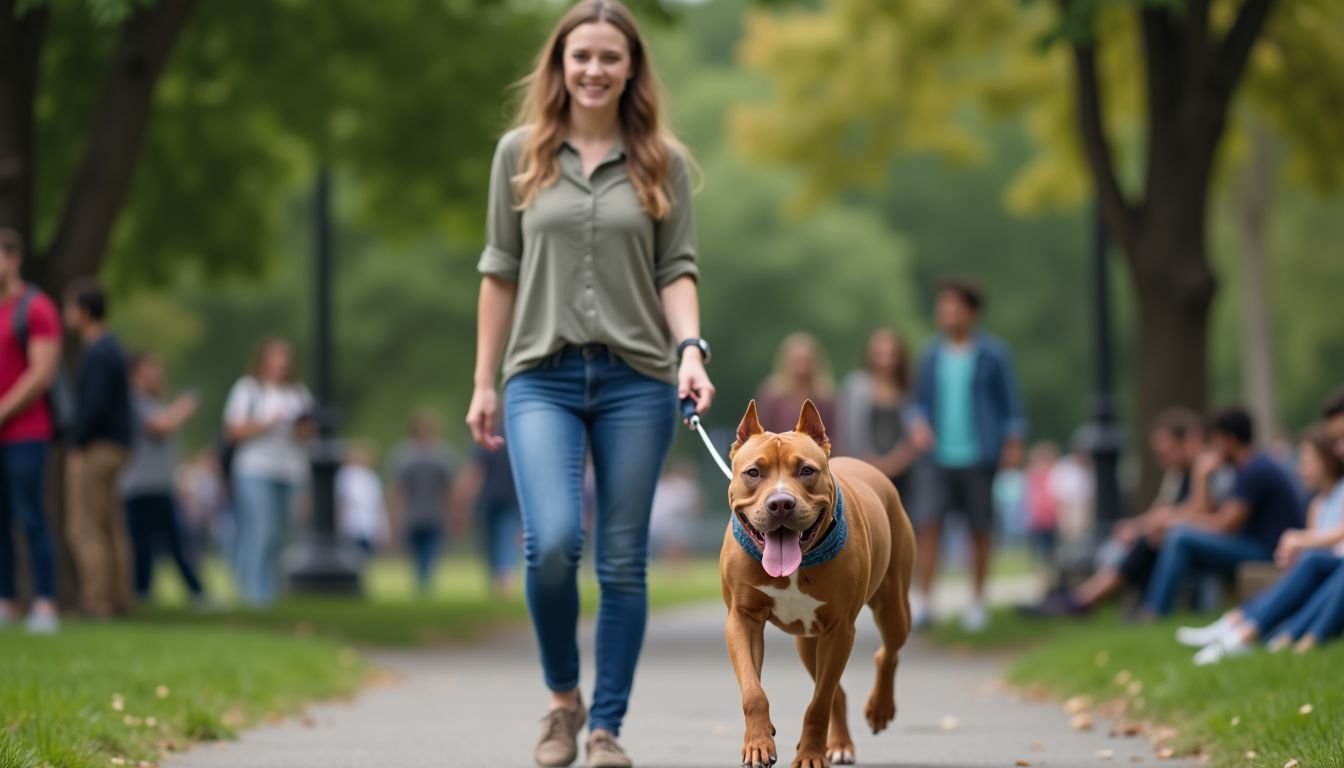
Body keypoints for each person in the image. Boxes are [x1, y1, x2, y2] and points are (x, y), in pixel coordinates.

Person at [465, 2, 715, 764]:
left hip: (637, 378)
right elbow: (499, 270)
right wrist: (483, 379)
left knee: (622, 561)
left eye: (610, 56)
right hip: (539, 375)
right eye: (582, 56)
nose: (595, 70)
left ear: (632, 66)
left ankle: (606, 726)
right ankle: (562, 700)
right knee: (551, 545)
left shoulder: (660, 161)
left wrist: (691, 352)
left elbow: (676, 268)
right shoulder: (520, 154)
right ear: (560, 65)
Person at [908, 278, 1025, 633]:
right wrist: (917, 424)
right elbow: (916, 403)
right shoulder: (930, 354)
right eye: (943, 307)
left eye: (955, 307)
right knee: (928, 526)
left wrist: (1012, 444)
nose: (947, 313)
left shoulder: (993, 354)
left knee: (980, 529)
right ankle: (926, 601)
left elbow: (1011, 407)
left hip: (979, 455)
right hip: (936, 457)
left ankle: (977, 602)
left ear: (972, 312)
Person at [1177, 425, 1344, 663]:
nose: (1300, 467)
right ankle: (1245, 627)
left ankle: (1255, 633)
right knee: (1307, 567)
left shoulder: (1258, 470)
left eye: (1306, 459)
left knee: (1313, 563)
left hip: (1325, 565)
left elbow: (1224, 523)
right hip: (1324, 568)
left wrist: (1300, 539)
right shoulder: (1316, 503)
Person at [1020, 408, 1205, 617]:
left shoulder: (1203, 469)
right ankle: (1077, 598)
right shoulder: (1176, 475)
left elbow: (1198, 511)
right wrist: (1136, 526)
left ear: (1186, 442)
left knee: (1141, 544)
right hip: (1166, 536)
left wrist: (1151, 526)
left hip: (1183, 538)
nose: (1161, 458)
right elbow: (1159, 512)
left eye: (1166, 451)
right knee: (1130, 539)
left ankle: (1080, 601)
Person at [1140, 406, 1302, 618]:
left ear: (1229, 439)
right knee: (1178, 537)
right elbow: (1211, 515)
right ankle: (1171, 607)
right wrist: (1202, 477)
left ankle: (1156, 611)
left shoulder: (1255, 470)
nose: (1212, 448)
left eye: (1215, 440)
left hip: (1267, 551)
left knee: (1180, 538)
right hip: (1254, 543)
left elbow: (1224, 525)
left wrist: (1177, 520)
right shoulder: (1246, 467)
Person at [0, 228, 62, 633]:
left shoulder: (36, 308)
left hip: (26, 432)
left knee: (30, 515)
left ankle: (44, 602)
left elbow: (43, 373)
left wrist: (2, 410)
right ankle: (5, 601)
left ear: (13, 258)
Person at [223, 337, 314, 607]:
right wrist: (267, 422)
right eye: (274, 357)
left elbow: (308, 433)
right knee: (260, 529)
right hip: (255, 469)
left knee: (281, 534)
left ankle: (271, 593)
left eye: (284, 358)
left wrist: (300, 427)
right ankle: (252, 594)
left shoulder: (298, 393)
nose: (280, 363)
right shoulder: (248, 389)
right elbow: (234, 430)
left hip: (289, 471)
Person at [64, 277, 133, 619]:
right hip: (116, 446)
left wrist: (77, 444)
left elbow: (94, 405)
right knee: (109, 526)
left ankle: (97, 601)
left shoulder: (99, 351)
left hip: (98, 446)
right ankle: (118, 597)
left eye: (70, 307)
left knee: (85, 526)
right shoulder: (112, 348)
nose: (67, 315)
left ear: (85, 311)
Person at [120, 351, 207, 605]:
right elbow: (160, 426)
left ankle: (145, 592)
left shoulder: (152, 401)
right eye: (150, 369)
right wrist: (184, 406)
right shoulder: (133, 401)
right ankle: (189, 591)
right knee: (156, 543)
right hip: (140, 485)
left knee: (168, 542)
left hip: (159, 484)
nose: (157, 375)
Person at [836, 327, 918, 499]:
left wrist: (894, 463)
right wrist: (871, 463)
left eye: (891, 354)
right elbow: (849, 430)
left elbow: (914, 434)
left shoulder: (908, 388)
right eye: (880, 353)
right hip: (862, 469)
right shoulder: (856, 386)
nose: (885, 360)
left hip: (905, 473)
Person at [387, 412, 458, 594]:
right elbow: (398, 490)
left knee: (426, 552)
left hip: (427, 514)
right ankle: (423, 582)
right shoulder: (440, 455)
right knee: (422, 552)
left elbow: (448, 490)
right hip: (418, 514)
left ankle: (423, 582)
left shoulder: (405, 455)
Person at [451, 443, 520, 597]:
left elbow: (474, 473)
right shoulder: (514, 440)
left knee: (497, 542)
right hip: (507, 499)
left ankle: (503, 584)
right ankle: (501, 583)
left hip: (489, 501)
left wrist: (464, 501)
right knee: (503, 541)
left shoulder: (484, 442)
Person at [755, 332, 837, 438]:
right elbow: (761, 431)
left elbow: (832, 435)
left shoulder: (825, 397)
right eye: (798, 360)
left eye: (807, 360)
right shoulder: (772, 395)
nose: (802, 366)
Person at [336, 441, 388, 558]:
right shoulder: (345, 475)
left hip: (367, 525)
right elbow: (342, 501)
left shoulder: (370, 477)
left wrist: (382, 528)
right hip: (351, 525)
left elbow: (377, 504)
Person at [1023, 441, 1060, 565]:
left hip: (1049, 515)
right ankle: (1040, 566)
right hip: (1037, 516)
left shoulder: (1053, 473)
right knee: (1038, 545)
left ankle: (1048, 565)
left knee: (1049, 545)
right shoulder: (1033, 474)